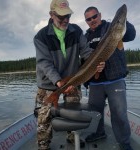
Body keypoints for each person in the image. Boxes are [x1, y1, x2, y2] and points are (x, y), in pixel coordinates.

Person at [33, 0, 105, 150]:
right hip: (47, 82)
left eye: (68, 16)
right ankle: (43, 144)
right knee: (44, 116)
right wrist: (59, 82)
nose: (65, 20)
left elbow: (86, 52)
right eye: (61, 17)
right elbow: (45, 64)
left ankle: (72, 135)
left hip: (73, 80)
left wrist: (97, 61)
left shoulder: (76, 31)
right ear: (51, 15)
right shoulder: (41, 37)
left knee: (74, 111)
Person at [84, 6, 136, 150]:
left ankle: (124, 143)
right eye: (89, 19)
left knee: (119, 114)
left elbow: (131, 35)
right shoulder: (85, 37)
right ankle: (98, 133)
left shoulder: (111, 27)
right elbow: (84, 60)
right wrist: (87, 81)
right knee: (95, 113)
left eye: (94, 16)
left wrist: (124, 21)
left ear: (99, 15)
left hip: (115, 80)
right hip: (95, 82)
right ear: (86, 21)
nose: (92, 20)